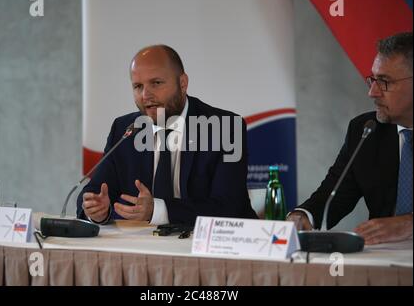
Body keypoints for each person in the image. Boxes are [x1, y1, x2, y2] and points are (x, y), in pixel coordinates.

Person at [77, 45, 257, 226]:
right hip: (145, 248)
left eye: (156, 83)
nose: (146, 95)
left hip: (213, 247)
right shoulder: (125, 129)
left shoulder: (224, 128)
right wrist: (98, 210)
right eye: (138, 86)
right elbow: (94, 193)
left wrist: (158, 210)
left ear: (183, 84)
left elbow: (228, 208)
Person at [287, 32, 413, 245]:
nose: (372, 92)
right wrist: (303, 215)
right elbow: (333, 195)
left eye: (384, 82)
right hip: (384, 261)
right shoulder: (365, 130)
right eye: (373, 79)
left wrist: (409, 223)